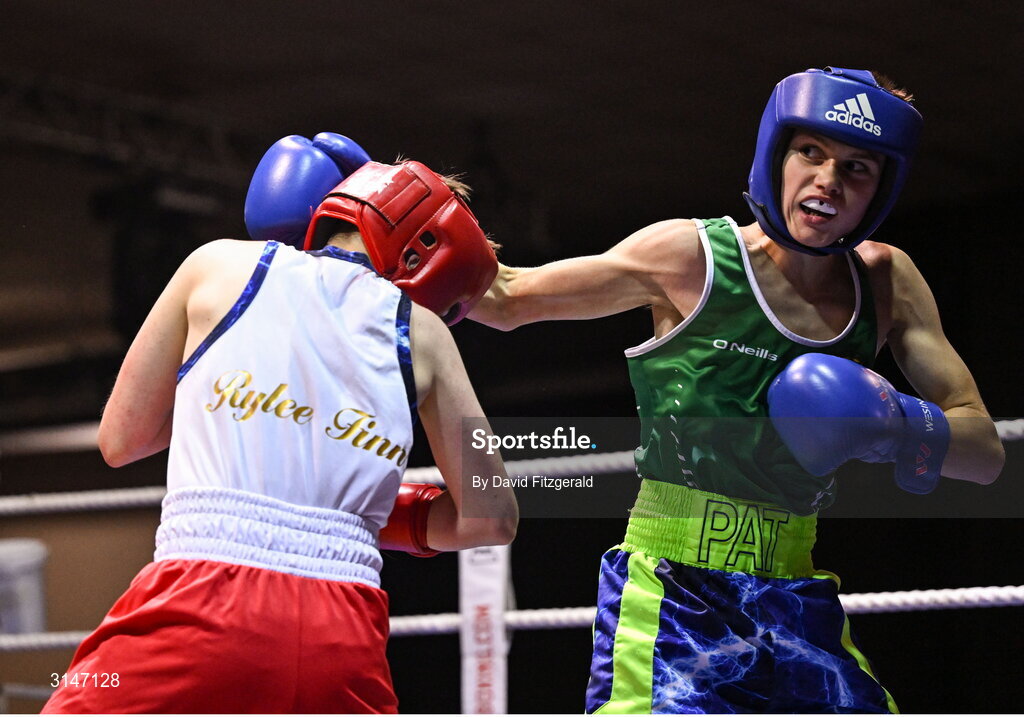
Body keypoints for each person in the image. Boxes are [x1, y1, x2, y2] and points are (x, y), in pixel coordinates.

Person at [468, 67, 1004, 713]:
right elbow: (505, 299)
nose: (829, 180)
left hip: (797, 596)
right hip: (674, 589)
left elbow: (985, 452)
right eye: (811, 152)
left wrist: (895, 425)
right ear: (777, 154)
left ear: (880, 190)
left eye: (857, 167)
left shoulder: (888, 281)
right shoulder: (691, 257)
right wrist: (413, 246)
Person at [43, 134, 518, 714]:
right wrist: (366, 513)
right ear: (423, 257)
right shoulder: (426, 335)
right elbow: (492, 516)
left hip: (199, 602)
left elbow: (122, 441)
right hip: (343, 630)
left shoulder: (216, 265)